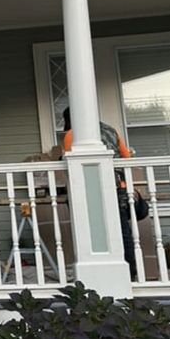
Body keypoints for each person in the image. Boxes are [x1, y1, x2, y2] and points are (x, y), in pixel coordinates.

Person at [61, 107, 146, 280]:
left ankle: (103, 274)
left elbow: (71, 163)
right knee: (123, 231)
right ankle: (131, 272)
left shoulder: (72, 134)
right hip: (120, 187)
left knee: (94, 230)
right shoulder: (110, 130)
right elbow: (127, 157)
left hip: (92, 189)